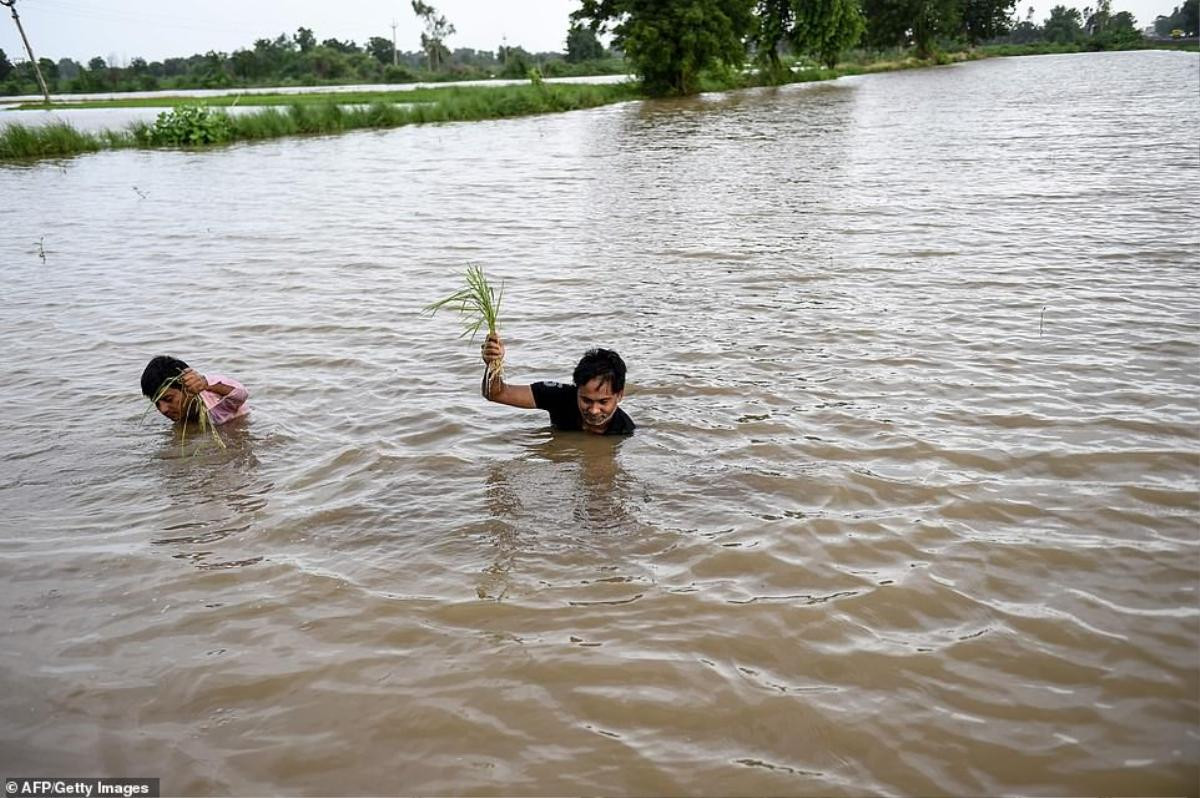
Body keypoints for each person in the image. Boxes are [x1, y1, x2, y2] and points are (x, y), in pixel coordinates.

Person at [481, 334, 634, 435]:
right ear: (577, 390)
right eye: (586, 400)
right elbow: (495, 393)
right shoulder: (559, 396)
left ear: (619, 395)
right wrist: (494, 363)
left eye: (603, 402)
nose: (594, 410)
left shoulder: (624, 429)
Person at [140, 355, 249, 425]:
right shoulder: (182, 415)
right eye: (157, 404)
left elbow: (241, 394)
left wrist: (206, 384)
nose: (163, 410)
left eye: (169, 399)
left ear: (187, 389)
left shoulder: (215, 404)